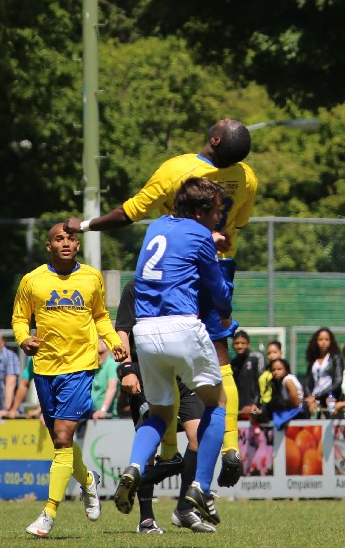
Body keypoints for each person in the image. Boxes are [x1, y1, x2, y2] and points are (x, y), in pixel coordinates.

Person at [65, 119, 256, 487]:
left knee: (166, 371)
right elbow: (239, 224)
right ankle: (230, 447)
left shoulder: (177, 170)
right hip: (218, 266)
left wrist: (85, 225)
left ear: (215, 138)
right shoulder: (247, 177)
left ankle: (167, 453)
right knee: (220, 359)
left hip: (176, 270)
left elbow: (128, 213)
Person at [115, 178, 233, 529]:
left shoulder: (156, 226)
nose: (219, 217)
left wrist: (208, 240)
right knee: (217, 403)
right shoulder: (200, 235)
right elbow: (219, 292)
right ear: (199, 212)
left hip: (146, 333)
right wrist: (225, 301)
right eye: (215, 211)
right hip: (182, 326)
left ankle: (135, 466)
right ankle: (201, 488)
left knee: (160, 414)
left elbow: (176, 253)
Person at [12, 221, 125, 537]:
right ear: (49, 246)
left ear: (78, 245)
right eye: (59, 238)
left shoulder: (91, 277)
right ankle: (88, 480)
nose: (65, 242)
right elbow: (20, 319)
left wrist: (114, 341)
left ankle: (48, 513)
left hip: (80, 367)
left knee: (63, 437)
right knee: (60, 439)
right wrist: (23, 339)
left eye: (71, 238)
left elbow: (100, 316)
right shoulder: (32, 280)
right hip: (45, 368)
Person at [114, 277, 211, 534]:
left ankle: (184, 510)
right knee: (151, 445)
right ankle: (146, 519)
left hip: (183, 372)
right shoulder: (135, 287)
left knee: (198, 437)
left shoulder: (188, 282)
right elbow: (122, 330)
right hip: (147, 372)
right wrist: (126, 369)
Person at [302, 327, 344, 416]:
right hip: (314, 399)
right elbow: (307, 382)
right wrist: (310, 397)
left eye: (326, 339)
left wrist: (316, 396)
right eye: (320, 339)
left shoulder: (335, 358)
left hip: (329, 398)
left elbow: (337, 382)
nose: (323, 342)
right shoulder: (313, 360)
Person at [230, 331, 264, 418]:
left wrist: (254, 403)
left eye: (243, 343)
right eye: (237, 343)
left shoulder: (256, 358)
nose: (240, 346)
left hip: (255, 408)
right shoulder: (233, 363)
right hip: (240, 409)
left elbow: (261, 383)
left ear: (248, 344)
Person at [261, 357, 304, 425]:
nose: (276, 372)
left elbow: (296, 403)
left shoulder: (288, 381)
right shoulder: (278, 383)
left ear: (286, 370)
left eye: (279, 369)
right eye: (273, 370)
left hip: (298, 414)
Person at [91, 340, 120, 419]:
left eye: (101, 353)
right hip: (91, 414)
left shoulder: (112, 365)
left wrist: (103, 409)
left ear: (107, 351)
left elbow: (112, 387)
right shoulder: (92, 367)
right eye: (95, 353)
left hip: (107, 416)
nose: (98, 356)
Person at [257, 341, 283, 407]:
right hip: (263, 406)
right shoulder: (265, 372)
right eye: (269, 353)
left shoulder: (284, 371)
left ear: (281, 353)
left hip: (277, 406)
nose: (272, 355)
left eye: (274, 352)